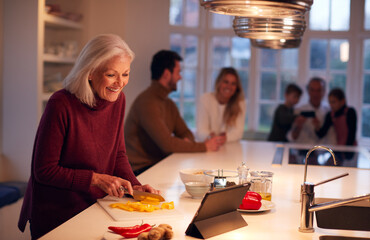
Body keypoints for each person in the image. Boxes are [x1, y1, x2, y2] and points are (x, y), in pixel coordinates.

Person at [18, 34, 159, 239]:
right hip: (56, 214)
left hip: (92, 206)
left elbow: (117, 153)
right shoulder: (61, 104)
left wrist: (135, 186)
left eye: (126, 74)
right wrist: (95, 179)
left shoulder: (117, 100)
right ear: (90, 72)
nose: (120, 83)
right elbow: (44, 170)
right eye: (111, 75)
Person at [124, 50, 222, 175]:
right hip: (141, 172)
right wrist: (204, 146)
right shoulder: (147, 102)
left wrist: (184, 143)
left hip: (158, 165)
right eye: (178, 72)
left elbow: (185, 132)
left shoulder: (167, 102)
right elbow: (167, 144)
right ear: (166, 74)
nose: (180, 77)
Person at [196, 67, 246, 144]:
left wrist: (225, 138)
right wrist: (210, 136)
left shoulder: (240, 103)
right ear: (218, 82)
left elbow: (238, 132)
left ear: (236, 88)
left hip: (231, 148)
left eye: (233, 84)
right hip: (209, 146)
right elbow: (201, 131)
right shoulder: (205, 99)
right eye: (226, 82)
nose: (229, 86)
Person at [287, 77, 336, 144]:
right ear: (308, 91)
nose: (315, 94)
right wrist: (298, 126)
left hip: (322, 151)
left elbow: (332, 136)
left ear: (324, 92)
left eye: (319, 90)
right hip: (301, 152)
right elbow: (290, 137)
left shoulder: (329, 111)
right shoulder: (298, 110)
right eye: (312, 90)